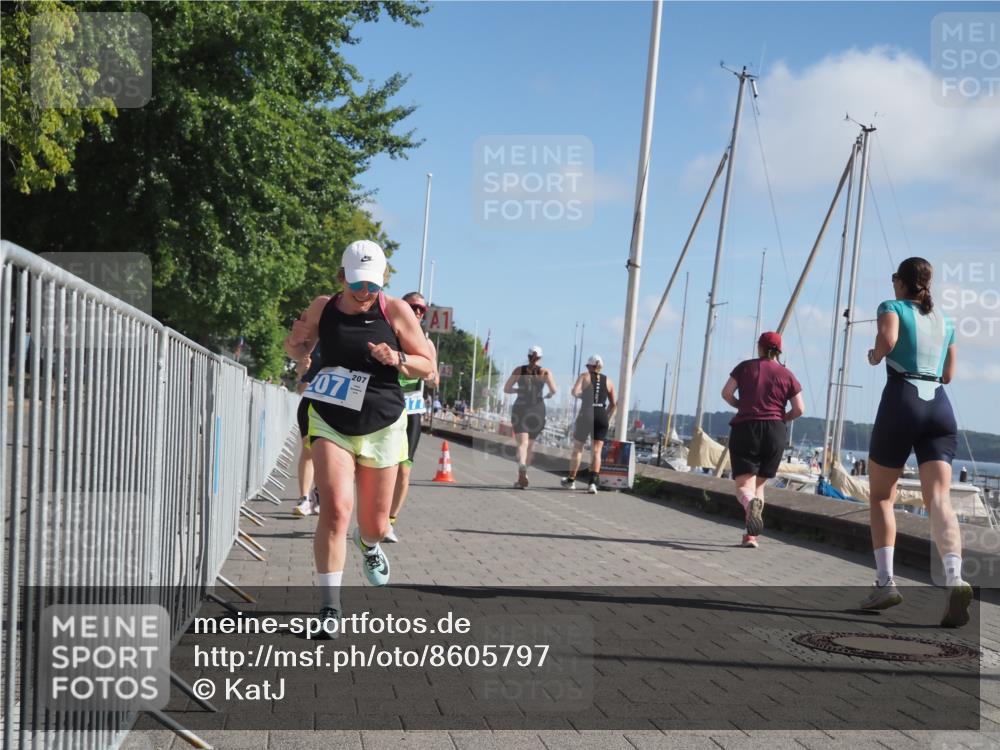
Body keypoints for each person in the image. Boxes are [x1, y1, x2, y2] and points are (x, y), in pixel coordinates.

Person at [283, 240, 434, 633]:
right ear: (341, 278)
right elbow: (296, 344)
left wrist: (397, 357)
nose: (365, 294)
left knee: (375, 524)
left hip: (382, 421)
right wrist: (296, 341)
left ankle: (368, 546)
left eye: (373, 285)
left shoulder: (396, 310)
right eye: (357, 285)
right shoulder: (323, 307)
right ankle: (329, 607)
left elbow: (427, 365)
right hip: (332, 418)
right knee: (335, 510)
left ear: (383, 280)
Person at [861, 257, 972, 627]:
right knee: (939, 499)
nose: (892, 284)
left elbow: (889, 340)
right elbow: (949, 374)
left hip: (902, 399)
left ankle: (885, 582)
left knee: (881, 496)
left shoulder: (890, 307)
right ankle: (954, 577)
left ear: (902, 283)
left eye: (895, 278)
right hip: (939, 406)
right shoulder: (946, 320)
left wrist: (876, 355)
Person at [721, 331, 805, 549]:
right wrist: (782, 417)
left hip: (747, 427)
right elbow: (799, 409)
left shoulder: (745, 367)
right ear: (779, 351)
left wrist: (741, 405)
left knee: (743, 488)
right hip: (775, 431)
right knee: (759, 486)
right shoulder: (787, 375)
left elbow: (726, 393)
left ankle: (750, 506)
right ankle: (751, 536)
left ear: (759, 347)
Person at [385, 292, 438, 543]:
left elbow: (434, 376)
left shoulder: (427, 344)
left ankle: (390, 521)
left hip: (412, 407)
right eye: (413, 307)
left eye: (422, 310)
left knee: (404, 470)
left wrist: (424, 372)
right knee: (381, 465)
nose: (417, 312)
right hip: (386, 404)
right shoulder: (389, 333)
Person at [561, 354, 616, 494]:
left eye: (587, 366)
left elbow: (574, 392)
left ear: (590, 367)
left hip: (586, 413)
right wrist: (606, 416)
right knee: (597, 451)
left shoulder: (584, 376)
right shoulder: (608, 381)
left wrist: (584, 397)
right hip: (601, 415)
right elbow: (613, 404)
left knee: (578, 448)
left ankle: (571, 480)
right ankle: (592, 483)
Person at [503, 346, 557, 488]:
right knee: (530, 445)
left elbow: (506, 388)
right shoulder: (545, 372)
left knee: (522, 444)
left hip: (520, 408)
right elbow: (553, 390)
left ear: (527, 356)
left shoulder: (518, 370)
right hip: (537, 409)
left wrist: (518, 390)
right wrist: (549, 395)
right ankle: (524, 472)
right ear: (540, 358)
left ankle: (521, 468)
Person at [293, 345, 323, 516]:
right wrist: (301, 371)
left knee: (325, 453)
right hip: (310, 403)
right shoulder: (313, 343)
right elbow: (300, 385)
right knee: (307, 448)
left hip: (337, 405)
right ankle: (304, 498)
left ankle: (318, 494)